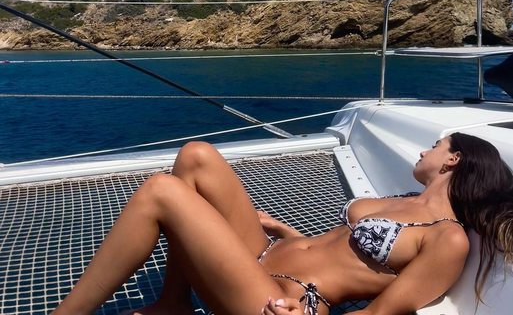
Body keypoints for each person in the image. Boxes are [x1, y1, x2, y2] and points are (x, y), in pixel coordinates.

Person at [52, 133, 513, 315]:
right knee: (196, 156)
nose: (423, 150)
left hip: (283, 302)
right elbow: (345, 251)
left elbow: (379, 314)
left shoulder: (448, 238)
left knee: (162, 191)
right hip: (268, 255)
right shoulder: (403, 200)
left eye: (435, 146)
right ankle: (173, 302)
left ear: (454, 159)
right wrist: (291, 233)